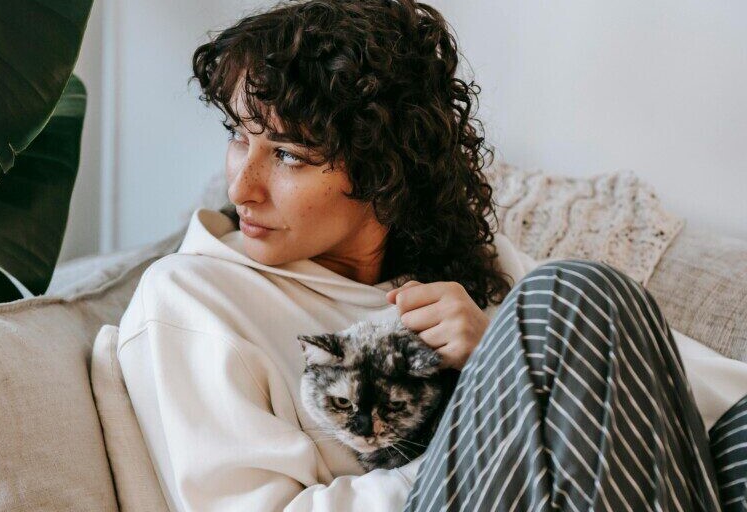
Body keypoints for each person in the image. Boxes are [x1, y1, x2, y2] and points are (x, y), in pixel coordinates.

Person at [114, 0, 747, 510]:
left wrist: (500, 347)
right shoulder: (191, 298)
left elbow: (710, 395)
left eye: (286, 155)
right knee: (574, 294)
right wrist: (505, 387)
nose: (239, 188)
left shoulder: (477, 274)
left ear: (383, 169)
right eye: (237, 135)